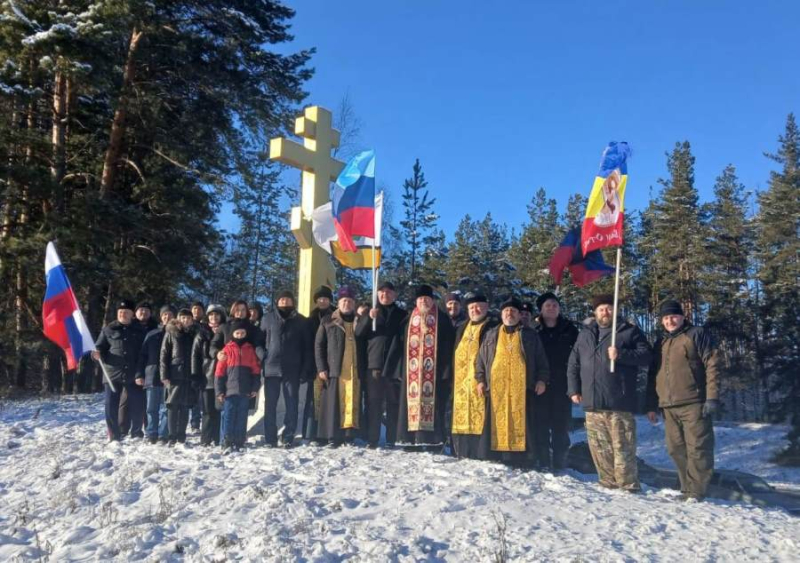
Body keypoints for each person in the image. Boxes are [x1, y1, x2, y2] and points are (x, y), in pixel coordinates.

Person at [567, 294, 652, 492]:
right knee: (599, 448)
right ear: (595, 312)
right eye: (601, 309)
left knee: (623, 447)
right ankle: (608, 483)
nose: (605, 312)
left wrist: (622, 355)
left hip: (619, 401)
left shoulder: (629, 331)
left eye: (609, 308)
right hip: (592, 401)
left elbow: (647, 356)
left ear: (616, 310)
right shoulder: (585, 334)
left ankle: (628, 485)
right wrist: (573, 389)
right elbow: (574, 363)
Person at [646, 300, 720, 501]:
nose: (670, 320)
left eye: (674, 316)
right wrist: (651, 404)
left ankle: (697, 491)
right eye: (666, 318)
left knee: (697, 447)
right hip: (668, 405)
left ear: (682, 316)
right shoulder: (661, 342)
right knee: (675, 448)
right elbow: (653, 374)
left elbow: (712, 364)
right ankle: (687, 489)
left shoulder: (695, 334)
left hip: (694, 402)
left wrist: (712, 396)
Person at [475, 297, 550, 466]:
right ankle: (496, 455)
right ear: (501, 314)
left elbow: (541, 361)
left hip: (523, 390)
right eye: (506, 311)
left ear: (518, 315)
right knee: (495, 422)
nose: (509, 313)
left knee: (524, 424)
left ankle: (523, 458)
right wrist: (480, 380)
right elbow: (480, 360)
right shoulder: (491, 334)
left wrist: (542, 380)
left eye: (513, 311)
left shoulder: (530, 335)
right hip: (496, 390)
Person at [387, 284, 455, 447]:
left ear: (432, 301)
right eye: (421, 299)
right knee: (409, 405)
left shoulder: (442, 319)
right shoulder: (408, 320)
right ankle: (409, 439)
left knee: (434, 405)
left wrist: (447, 371)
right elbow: (398, 345)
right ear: (416, 302)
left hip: (435, 373)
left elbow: (449, 346)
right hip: (411, 374)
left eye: (427, 298)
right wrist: (396, 369)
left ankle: (432, 440)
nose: (424, 301)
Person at [355, 281, 407, 448]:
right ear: (377, 294)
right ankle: (372, 438)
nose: (385, 295)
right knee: (373, 403)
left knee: (394, 403)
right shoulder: (370, 313)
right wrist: (368, 319)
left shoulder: (402, 315)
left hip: (394, 366)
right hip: (374, 364)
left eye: (389, 292)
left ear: (395, 295)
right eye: (382, 292)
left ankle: (392, 438)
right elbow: (358, 334)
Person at [532, 292, 579, 471]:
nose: (551, 308)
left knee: (560, 427)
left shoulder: (570, 329)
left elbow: (579, 356)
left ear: (559, 309)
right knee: (541, 426)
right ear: (541, 310)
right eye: (547, 306)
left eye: (554, 305)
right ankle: (543, 461)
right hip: (539, 385)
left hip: (562, 385)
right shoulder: (534, 330)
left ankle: (559, 463)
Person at [261, 290, 312, 448]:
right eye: (282, 299)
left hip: (292, 369)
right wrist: (264, 355)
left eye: (287, 299)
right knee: (270, 404)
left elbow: (307, 348)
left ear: (293, 302)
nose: (284, 302)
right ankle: (270, 438)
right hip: (271, 368)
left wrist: (304, 370)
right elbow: (259, 340)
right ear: (277, 301)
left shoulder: (301, 321)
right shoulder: (268, 318)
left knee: (292, 404)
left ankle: (288, 436)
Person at [315, 287, 365, 445]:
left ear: (354, 303)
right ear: (338, 303)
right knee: (333, 404)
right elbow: (319, 345)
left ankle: (349, 436)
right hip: (335, 369)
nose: (347, 304)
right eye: (344, 301)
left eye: (350, 301)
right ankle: (332, 436)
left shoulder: (360, 321)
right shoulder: (328, 320)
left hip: (355, 370)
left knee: (352, 401)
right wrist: (322, 367)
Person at [450, 291, 497, 459]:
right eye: (471, 307)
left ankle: (480, 452)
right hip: (461, 383)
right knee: (461, 415)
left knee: (481, 415)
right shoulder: (462, 327)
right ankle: (461, 451)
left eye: (478, 307)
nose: (475, 310)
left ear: (486, 307)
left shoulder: (493, 326)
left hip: (481, 381)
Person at [92, 300, 147, 442]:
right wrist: (96, 354)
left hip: (133, 373)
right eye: (120, 312)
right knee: (111, 405)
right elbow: (99, 347)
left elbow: (143, 352)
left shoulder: (140, 330)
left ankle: (136, 432)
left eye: (125, 312)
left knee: (138, 403)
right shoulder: (108, 329)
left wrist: (141, 372)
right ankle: (114, 434)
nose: (122, 314)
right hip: (112, 374)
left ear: (131, 314)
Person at [215, 320, 261, 451]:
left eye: (242, 333)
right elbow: (219, 373)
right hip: (229, 392)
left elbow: (256, 371)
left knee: (242, 417)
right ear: (232, 334)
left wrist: (255, 388)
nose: (240, 335)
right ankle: (227, 440)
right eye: (237, 333)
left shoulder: (250, 349)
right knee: (229, 416)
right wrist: (219, 391)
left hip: (245, 391)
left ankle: (240, 440)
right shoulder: (226, 350)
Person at [137, 305, 176, 444]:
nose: (167, 317)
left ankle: (163, 434)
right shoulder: (152, 333)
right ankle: (151, 433)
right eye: (165, 314)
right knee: (151, 408)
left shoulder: (177, 333)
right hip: (152, 375)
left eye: (170, 314)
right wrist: (139, 374)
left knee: (167, 408)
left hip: (171, 376)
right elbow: (142, 356)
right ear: (161, 317)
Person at [118, 300, 157, 437]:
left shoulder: (155, 328)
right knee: (126, 399)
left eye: (147, 310)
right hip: (130, 368)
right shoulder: (129, 326)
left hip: (150, 369)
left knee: (146, 401)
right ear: (135, 312)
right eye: (141, 310)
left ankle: (146, 428)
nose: (144, 312)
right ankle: (122, 429)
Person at [160, 309, 199, 445]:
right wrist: (164, 375)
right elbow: (164, 354)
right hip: (174, 374)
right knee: (172, 405)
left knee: (185, 406)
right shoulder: (171, 332)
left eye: (188, 318)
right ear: (178, 319)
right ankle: (171, 435)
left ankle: (181, 435)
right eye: (183, 318)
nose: (186, 320)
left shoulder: (195, 333)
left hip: (189, 375)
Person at [302, 286, 336, 440]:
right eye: (320, 298)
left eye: (326, 298)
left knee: (330, 399)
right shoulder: (310, 319)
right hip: (314, 364)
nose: (322, 301)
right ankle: (311, 432)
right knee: (313, 400)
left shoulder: (336, 316)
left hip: (333, 362)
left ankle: (329, 432)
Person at [192, 304, 226, 447]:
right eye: (211, 315)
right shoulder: (202, 332)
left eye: (217, 314)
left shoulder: (226, 331)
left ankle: (218, 438)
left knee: (218, 409)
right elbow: (195, 355)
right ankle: (205, 439)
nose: (214, 317)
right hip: (206, 376)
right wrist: (195, 375)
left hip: (222, 376)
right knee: (207, 410)